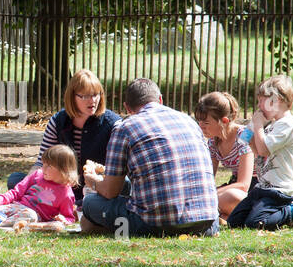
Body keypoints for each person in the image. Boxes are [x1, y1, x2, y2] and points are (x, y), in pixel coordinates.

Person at [81, 78, 219, 237]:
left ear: (127, 108)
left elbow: (110, 191)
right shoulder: (189, 122)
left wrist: (92, 181)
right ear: (160, 99)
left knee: (90, 203)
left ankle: (113, 228)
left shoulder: (124, 127)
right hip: (207, 223)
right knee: (126, 185)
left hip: (155, 225)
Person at [10, 69, 120, 203]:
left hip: (97, 188)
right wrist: (26, 185)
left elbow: (117, 170)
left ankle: (69, 204)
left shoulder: (113, 124)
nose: (92, 101)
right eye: (85, 96)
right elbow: (41, 162)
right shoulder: (58, 121)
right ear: (72, 96)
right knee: (15, 180)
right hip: (61, 186)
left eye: (96, 95)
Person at [226, 75, 293, 230]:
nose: (258, 106)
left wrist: (258, 125)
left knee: (255, 223)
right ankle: (274, 211)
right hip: (262, 187)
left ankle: (291, 210)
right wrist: (252, 128)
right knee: (234, 222)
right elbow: (247, 143)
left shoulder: (287, 125)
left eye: (261, 101)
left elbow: (264, 149)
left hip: (279, 191)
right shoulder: (270, 124)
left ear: (276, 101)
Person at [0, 145, 79, 229]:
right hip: (17, 206)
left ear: (64, 170)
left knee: (30, 215)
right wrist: (1, 199)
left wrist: (63, 219)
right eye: (43, 164)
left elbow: (69, 217)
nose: (43, 168)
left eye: (49, 166)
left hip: (33, 216)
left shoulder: (66, 194)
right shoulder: (37, 175)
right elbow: (17, 191)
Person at [194, 91, 255, 219]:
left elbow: (244, 184)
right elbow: (208, 178)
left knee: (231, 197)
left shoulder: (244, 135)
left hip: (254, 188)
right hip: (233, 187)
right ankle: (226, 216)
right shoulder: (213, 142)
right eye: (199, 122)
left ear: (224, 121)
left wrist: (210, 194)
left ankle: (224, 214)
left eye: (206, 123)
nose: (201, 127)